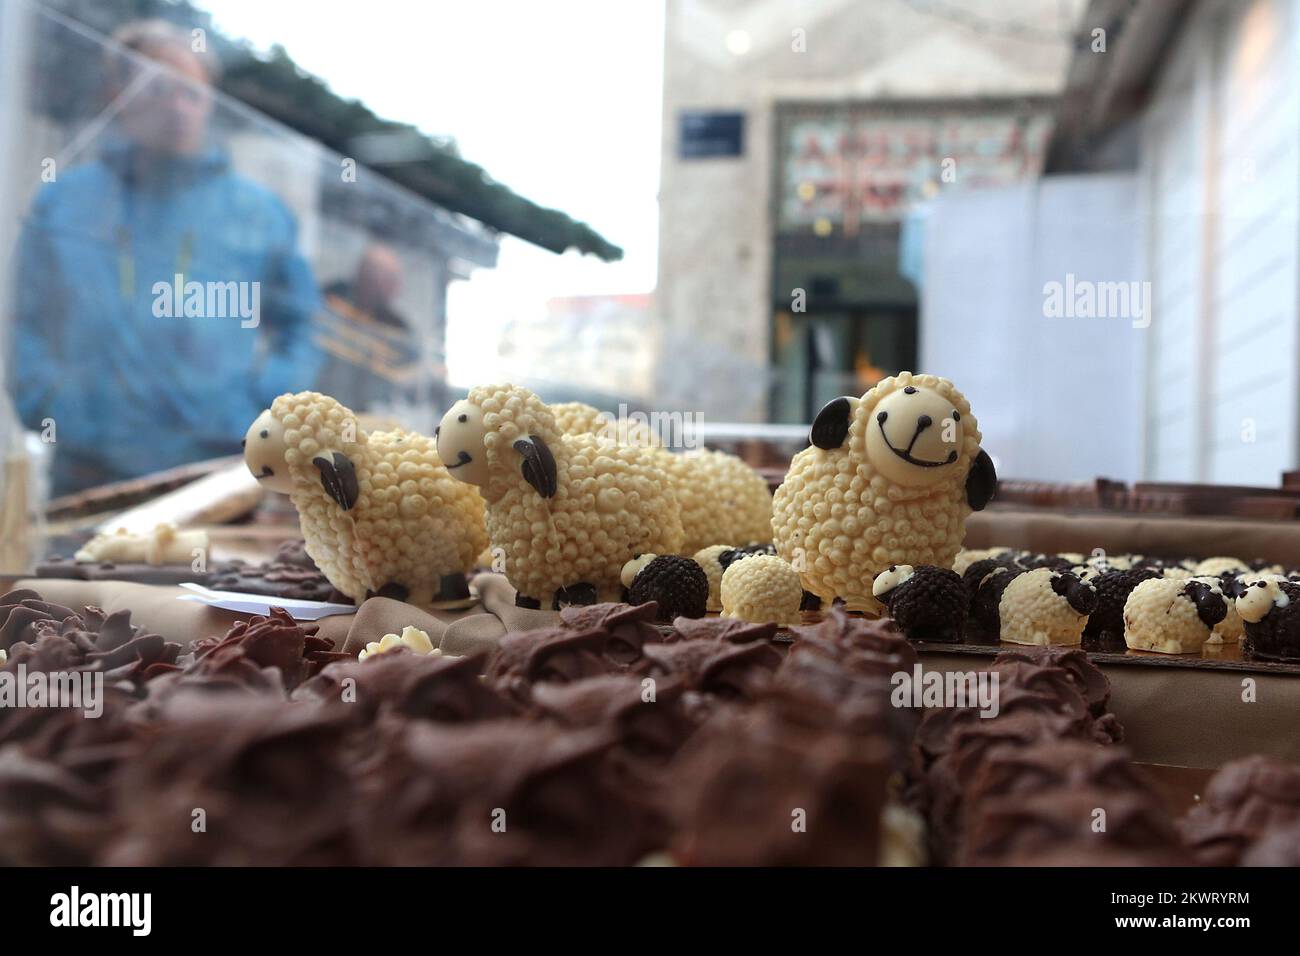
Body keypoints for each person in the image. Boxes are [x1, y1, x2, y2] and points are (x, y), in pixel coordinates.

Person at [11, 19, 322, 494]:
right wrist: (55, 407)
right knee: (77, 569)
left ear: (210, 102)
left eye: (192, 94)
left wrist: (260, 408)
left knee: (207, 570)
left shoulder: (258, 212)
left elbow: (301, 327)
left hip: (216, 470)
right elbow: (23, 320)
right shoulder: (66, 202)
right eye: (159, 89)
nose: (178, 108)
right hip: (87, 468)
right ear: (118, 94)